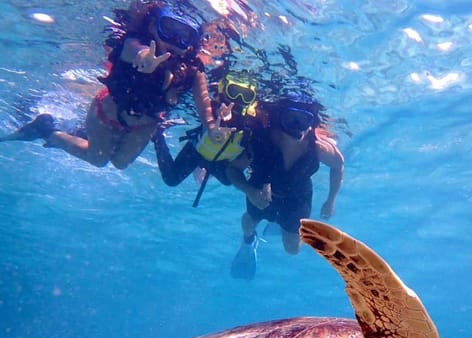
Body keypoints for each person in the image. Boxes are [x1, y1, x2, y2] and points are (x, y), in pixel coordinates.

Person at [0, 1, 214, 170]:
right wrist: (145, 59)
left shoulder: (193, 72)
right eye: (169, 28)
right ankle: (48, 130)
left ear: (192, 44)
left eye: (184, 35)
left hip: (143, 127)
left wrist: (213, 127)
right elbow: (135, 52)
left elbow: (204, 106)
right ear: (152, 26)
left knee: (120, 164)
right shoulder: (133, 44)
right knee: (97, 160)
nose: (175, 39)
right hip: (108, 114)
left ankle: (75, 132)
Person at [226, 93, 345, 280]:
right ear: (280, 119)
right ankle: (249, 242)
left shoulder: (319, 149)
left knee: (292, 250)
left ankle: (279, 224)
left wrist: (331, 200)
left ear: (311, 123)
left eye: (304, 120)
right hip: (260, 192)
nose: (298, 127)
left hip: (297, 197)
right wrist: (249, 191)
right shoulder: (260, 143)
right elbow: (233, 169)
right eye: (292, 119)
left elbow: (338, 166)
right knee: (249, 223)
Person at [152, 72, 263, 206]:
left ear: (252, 100)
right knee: (171, 179)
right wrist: (218, 117)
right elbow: (205, 108)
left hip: (219, 162)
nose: (238, 99)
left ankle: (202, 170)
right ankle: (157, 136)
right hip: (195, 152)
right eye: (233, 92)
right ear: (223, 90)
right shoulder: (212, 108)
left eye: (246, 96)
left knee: (229, 180)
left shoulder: (252, 122)